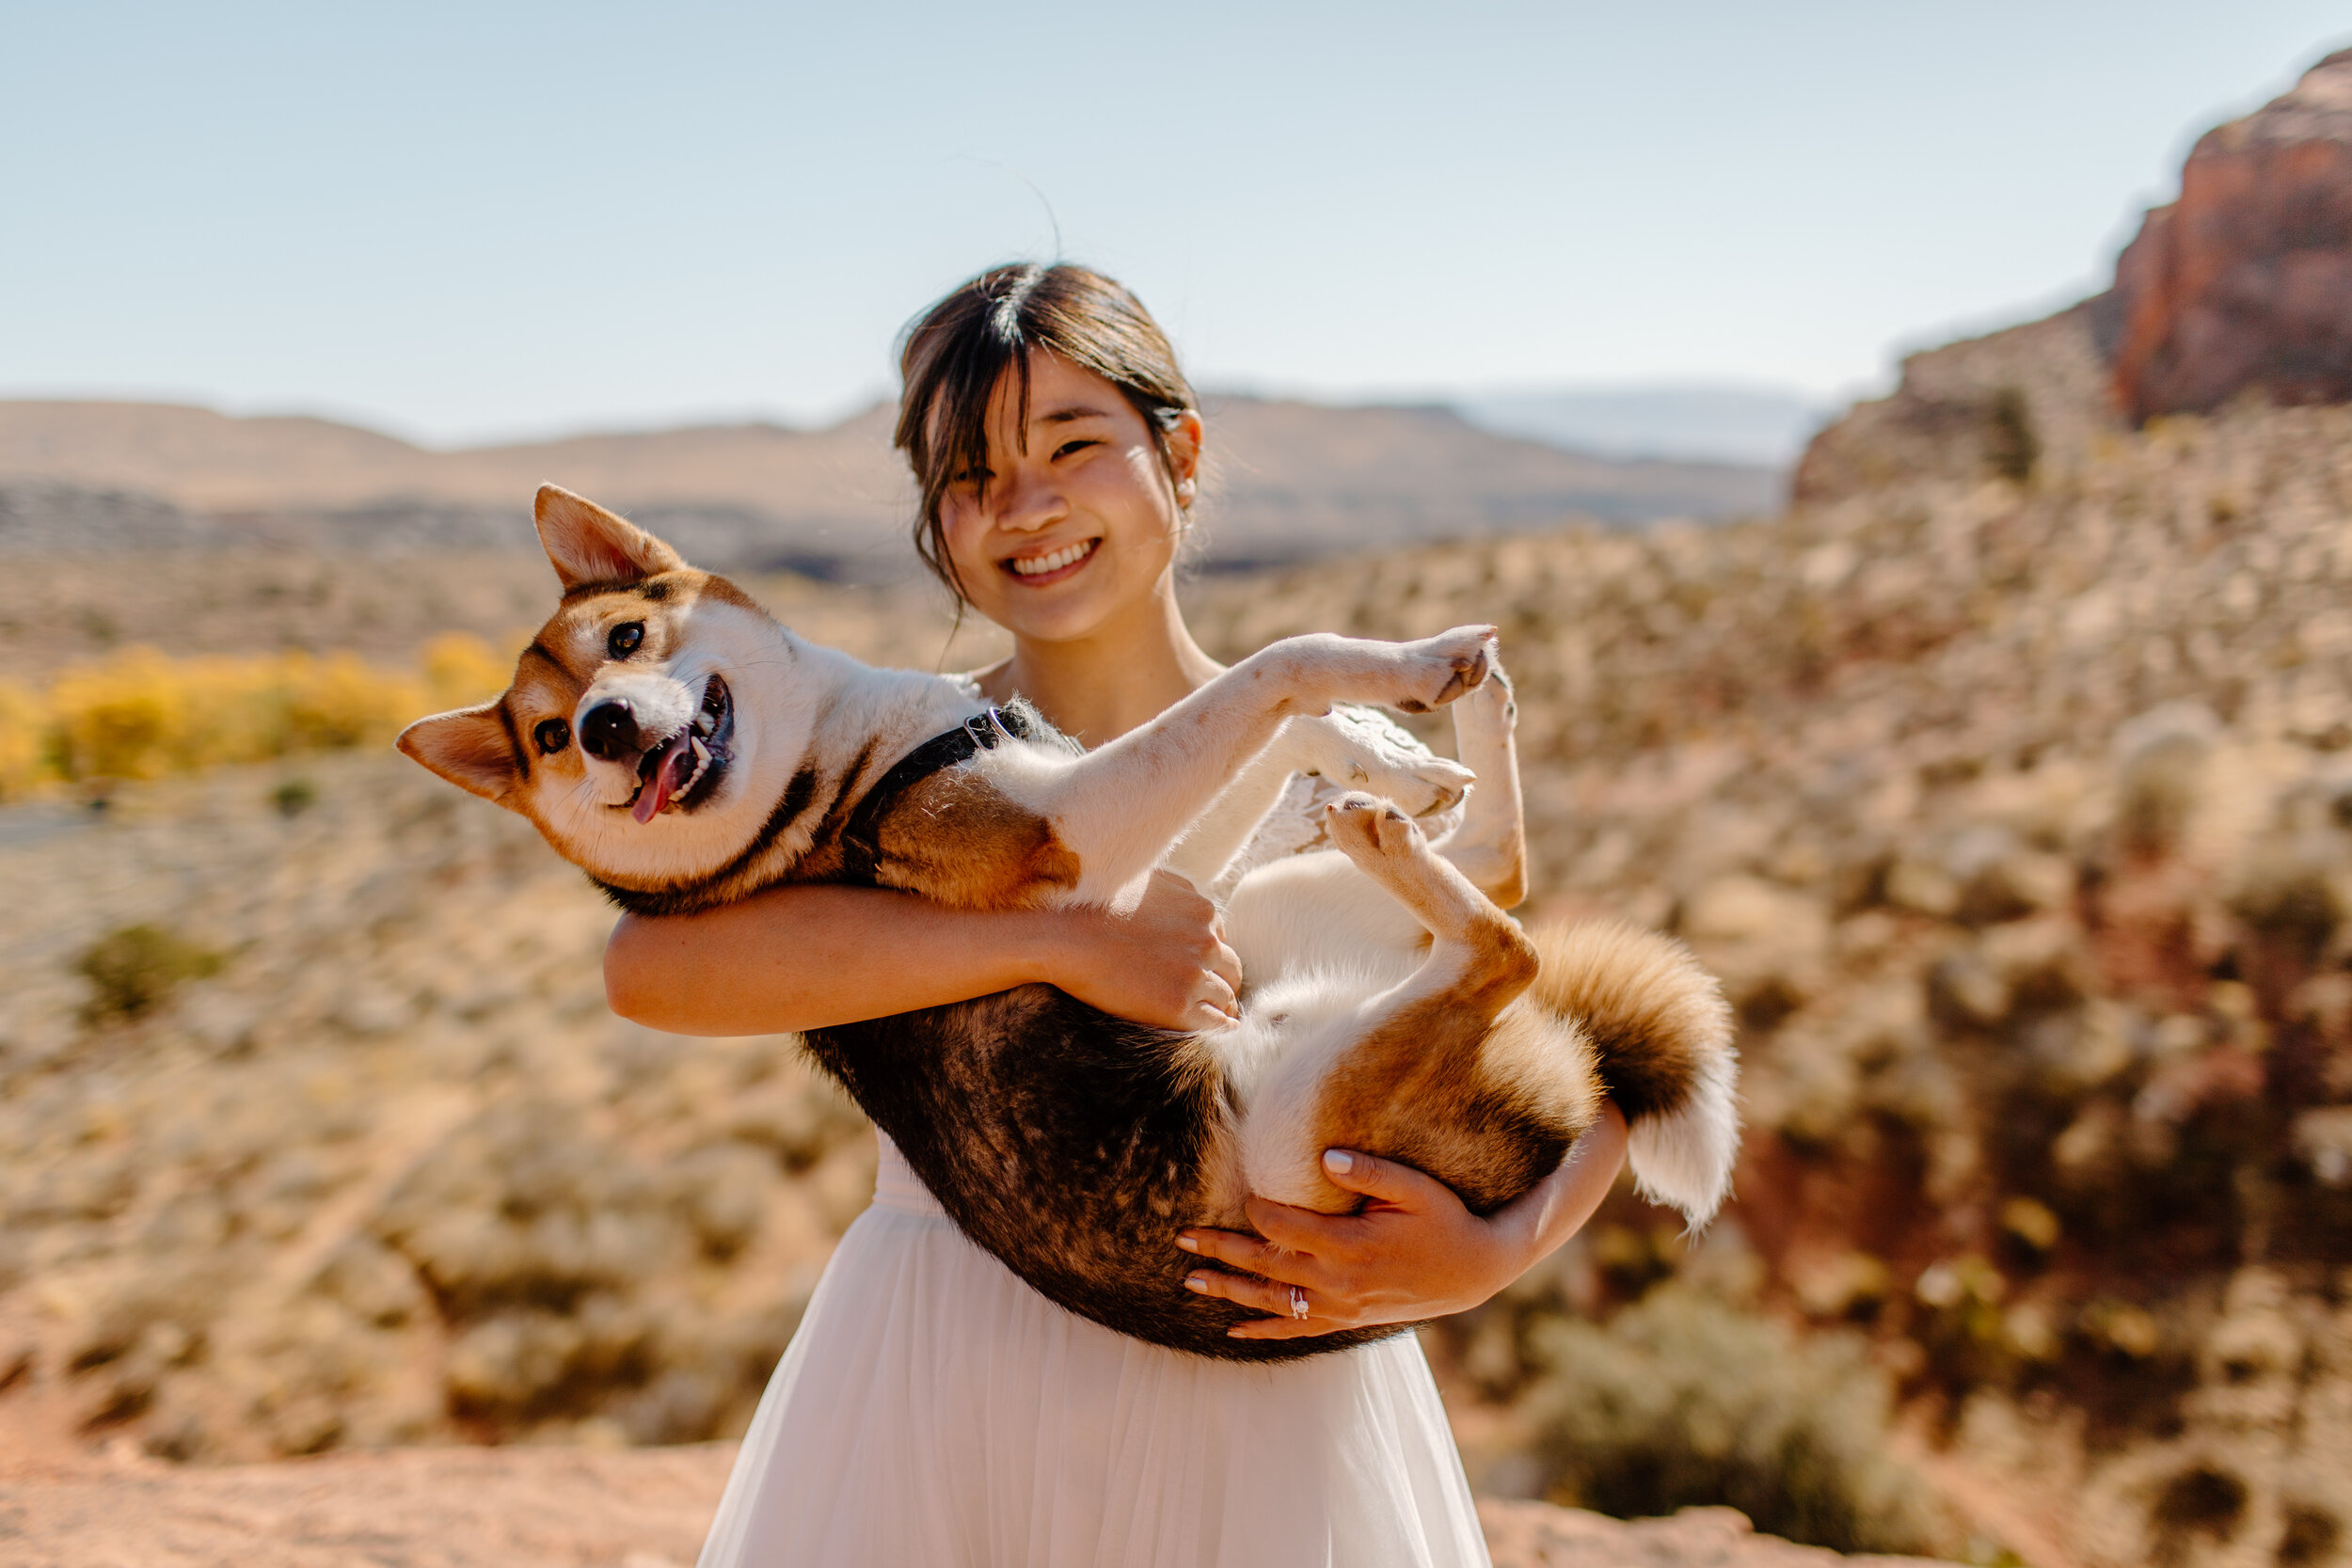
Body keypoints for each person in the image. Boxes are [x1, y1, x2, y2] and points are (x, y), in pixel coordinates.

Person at [603, 262, 1629, 1568]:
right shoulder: (911, 762)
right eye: (967, 476)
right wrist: (1054, 939)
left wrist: (1497, 1250)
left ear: (1179, 452)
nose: (1022, 509)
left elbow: (1595, 1036)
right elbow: (651, 969)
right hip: (940, 1373)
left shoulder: (1340, 754)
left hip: (1262, 1397)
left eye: (1072, 447)